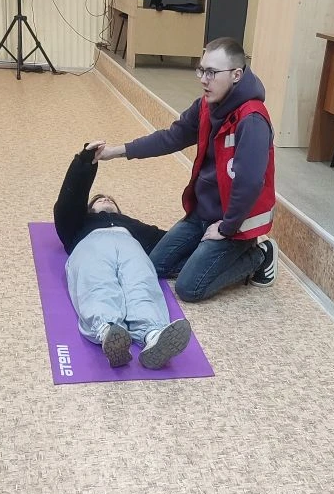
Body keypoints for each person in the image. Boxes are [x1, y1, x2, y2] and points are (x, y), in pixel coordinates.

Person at [94, 37, 278, 302]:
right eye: (201, 70)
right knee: (153, 266)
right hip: (203, 213)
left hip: (236, 222)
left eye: (212, 72)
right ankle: (207, 256)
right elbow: (171, 138)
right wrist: (116, 151)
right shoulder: (206, 106)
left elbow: (249, 184)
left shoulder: (252, 119)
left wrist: (226, 228)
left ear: (236, 75)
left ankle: (259, 255)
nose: (203, 79)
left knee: (189, 288)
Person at [53, 141, 191, 369]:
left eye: (110, 200)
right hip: (91, 246)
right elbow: (68, 202)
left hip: (130, 246)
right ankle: (107, 329)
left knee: (141, 283)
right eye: (99, 200)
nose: (106, 199)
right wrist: (85, 162)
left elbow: (167, 241)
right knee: (97, 282)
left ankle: (153, 335)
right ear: (89, 209)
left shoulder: (130, 224)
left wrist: (204, 238)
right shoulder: (78, 223)